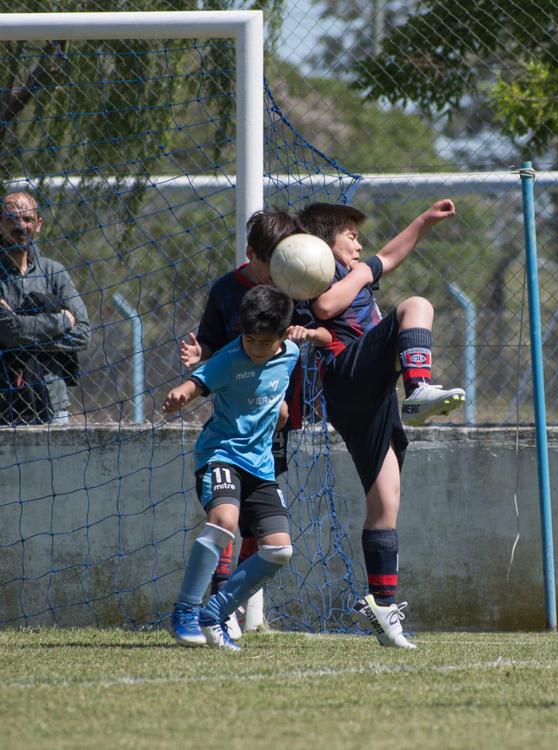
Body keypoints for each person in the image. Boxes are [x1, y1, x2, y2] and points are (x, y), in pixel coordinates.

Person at [297, 199, 465, 649]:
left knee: (386, 498)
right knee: (416, 304)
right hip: (348, 374)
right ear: (323, 241)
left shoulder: (356, 269)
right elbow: (329, 306)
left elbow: (387, 255)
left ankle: (384, 607)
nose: (359, 243)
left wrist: (424, 220)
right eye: (350, 235)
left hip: (364, 395)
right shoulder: (312, 273)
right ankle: (420, 389)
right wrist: (364, 272)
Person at [178, 208, 330, 641]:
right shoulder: (227, 290)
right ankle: (218, 600)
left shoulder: (296, 284)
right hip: (233, 418)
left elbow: (322, 334)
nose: (282, 268)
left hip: (274, 419)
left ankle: (231, 601)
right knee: (227, 513)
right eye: (273, 260)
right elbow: (210, 339)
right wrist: (199, 359)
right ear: (253, 255)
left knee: (266, 528)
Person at [163, 285, 304, 651]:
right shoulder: (229, 359)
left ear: (283, 336)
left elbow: (276, 397)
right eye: (249, 339)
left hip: (261, 466)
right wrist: (181, 394)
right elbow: (198, 382)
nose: (255, 348)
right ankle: (186, 612)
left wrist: (282, 412)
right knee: (224, 522)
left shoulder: (290, 354)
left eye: (264, 342)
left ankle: (216, 612)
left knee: (279, 549)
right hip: (221, 455)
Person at [0, 191, 90, 425]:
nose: (21, 226)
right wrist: (61, 322)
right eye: (12, 219)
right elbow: (7, 332)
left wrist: (19, 334)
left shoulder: (54, 272)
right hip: (4, 400)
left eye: (28, 220)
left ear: (38, 224)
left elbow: (82, 334)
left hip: (53, 401)